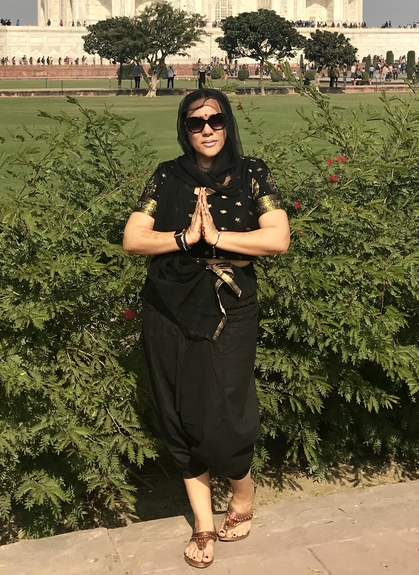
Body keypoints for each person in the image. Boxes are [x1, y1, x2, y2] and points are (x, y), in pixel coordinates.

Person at [123, 89, 290, 569]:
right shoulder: (168, 175)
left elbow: (278, 238)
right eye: (196, 123)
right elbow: (133, 238)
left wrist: (217, 237)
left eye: (215, 120)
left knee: (223, 414)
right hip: (168, 304)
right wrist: (184, 237)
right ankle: (203, 522)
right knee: (177, 409)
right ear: (184, 129)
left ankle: (243, 488)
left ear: (228, 123)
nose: (207, 130)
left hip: (227, 305)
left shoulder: (252, 173)